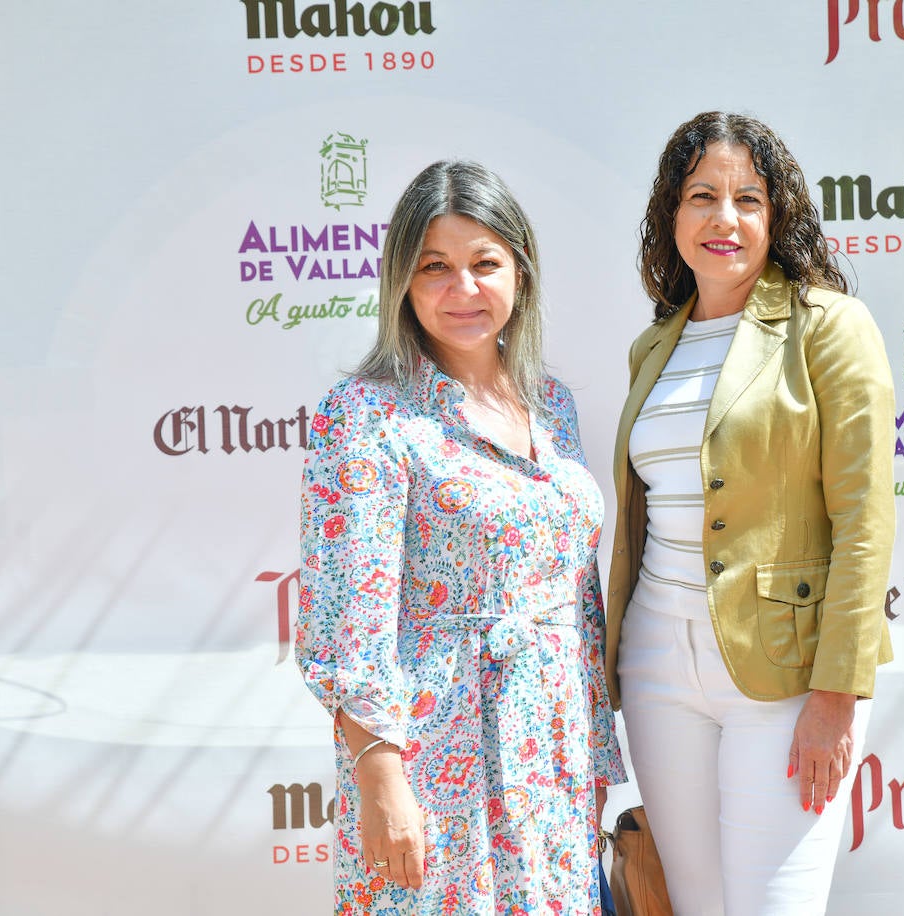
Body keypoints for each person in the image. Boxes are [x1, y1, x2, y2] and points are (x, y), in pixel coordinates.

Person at [297, 159, 626, 914]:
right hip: (436, 755)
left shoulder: (553, 405)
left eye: (485, 264)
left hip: (553, 754)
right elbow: (346, 617)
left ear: (521, 273)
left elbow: (578, 597)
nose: (464, 289)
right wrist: (381, 781)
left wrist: (598, 759)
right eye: (434, 267)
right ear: (401, 285)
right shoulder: (366, 412)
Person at [604, 112, 896, 915]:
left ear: (778, 216)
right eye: (702, 196)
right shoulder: (652, 347)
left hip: (789, 674)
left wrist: (838, 694)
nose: (723, 220)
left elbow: (864, 522)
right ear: (672, 214)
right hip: (658, 661)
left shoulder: (827, 325)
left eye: (748, 199)